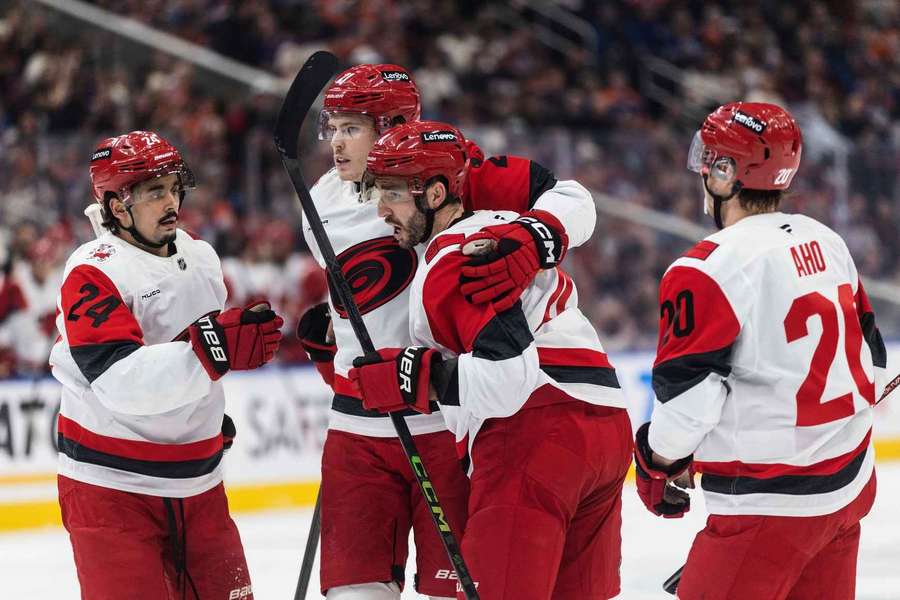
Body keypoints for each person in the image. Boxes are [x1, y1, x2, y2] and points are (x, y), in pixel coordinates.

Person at [296, 64, 598, 600]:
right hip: (355, 430)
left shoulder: (451, 167)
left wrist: (536, 237)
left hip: (443, 422)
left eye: (351, 129)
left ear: (391, 125)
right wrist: (336, 341)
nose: (336, 145)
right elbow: (362, 289)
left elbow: (573, 199)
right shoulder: (320, 199)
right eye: (332, 129)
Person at [348, 121, 632, 600]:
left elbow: (506, 381)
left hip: (536, 436)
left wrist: (414, 378)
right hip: (605, 423)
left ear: (435, 194)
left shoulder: (452, 260)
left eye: (394, 195)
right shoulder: (503, 224)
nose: (382, 211)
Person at [633, 102, 889, 600]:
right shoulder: (827, 239)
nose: (703, 170)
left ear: (728, 173)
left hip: (766, 509)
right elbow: (871, 361)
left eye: (711, 159)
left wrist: (657, 459)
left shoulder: (705, 268)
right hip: (850, 489)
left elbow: (687, 406)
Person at [50, 131, 284, 599]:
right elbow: (122, 381)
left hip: (199, 485)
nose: (171, 200)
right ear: (118, 206)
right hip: (112, 489)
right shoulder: (92, 272)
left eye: (174, 186)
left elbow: (195, 364)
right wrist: (215, 350)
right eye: (155, 191)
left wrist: (204, 419)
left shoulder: (201, 258)